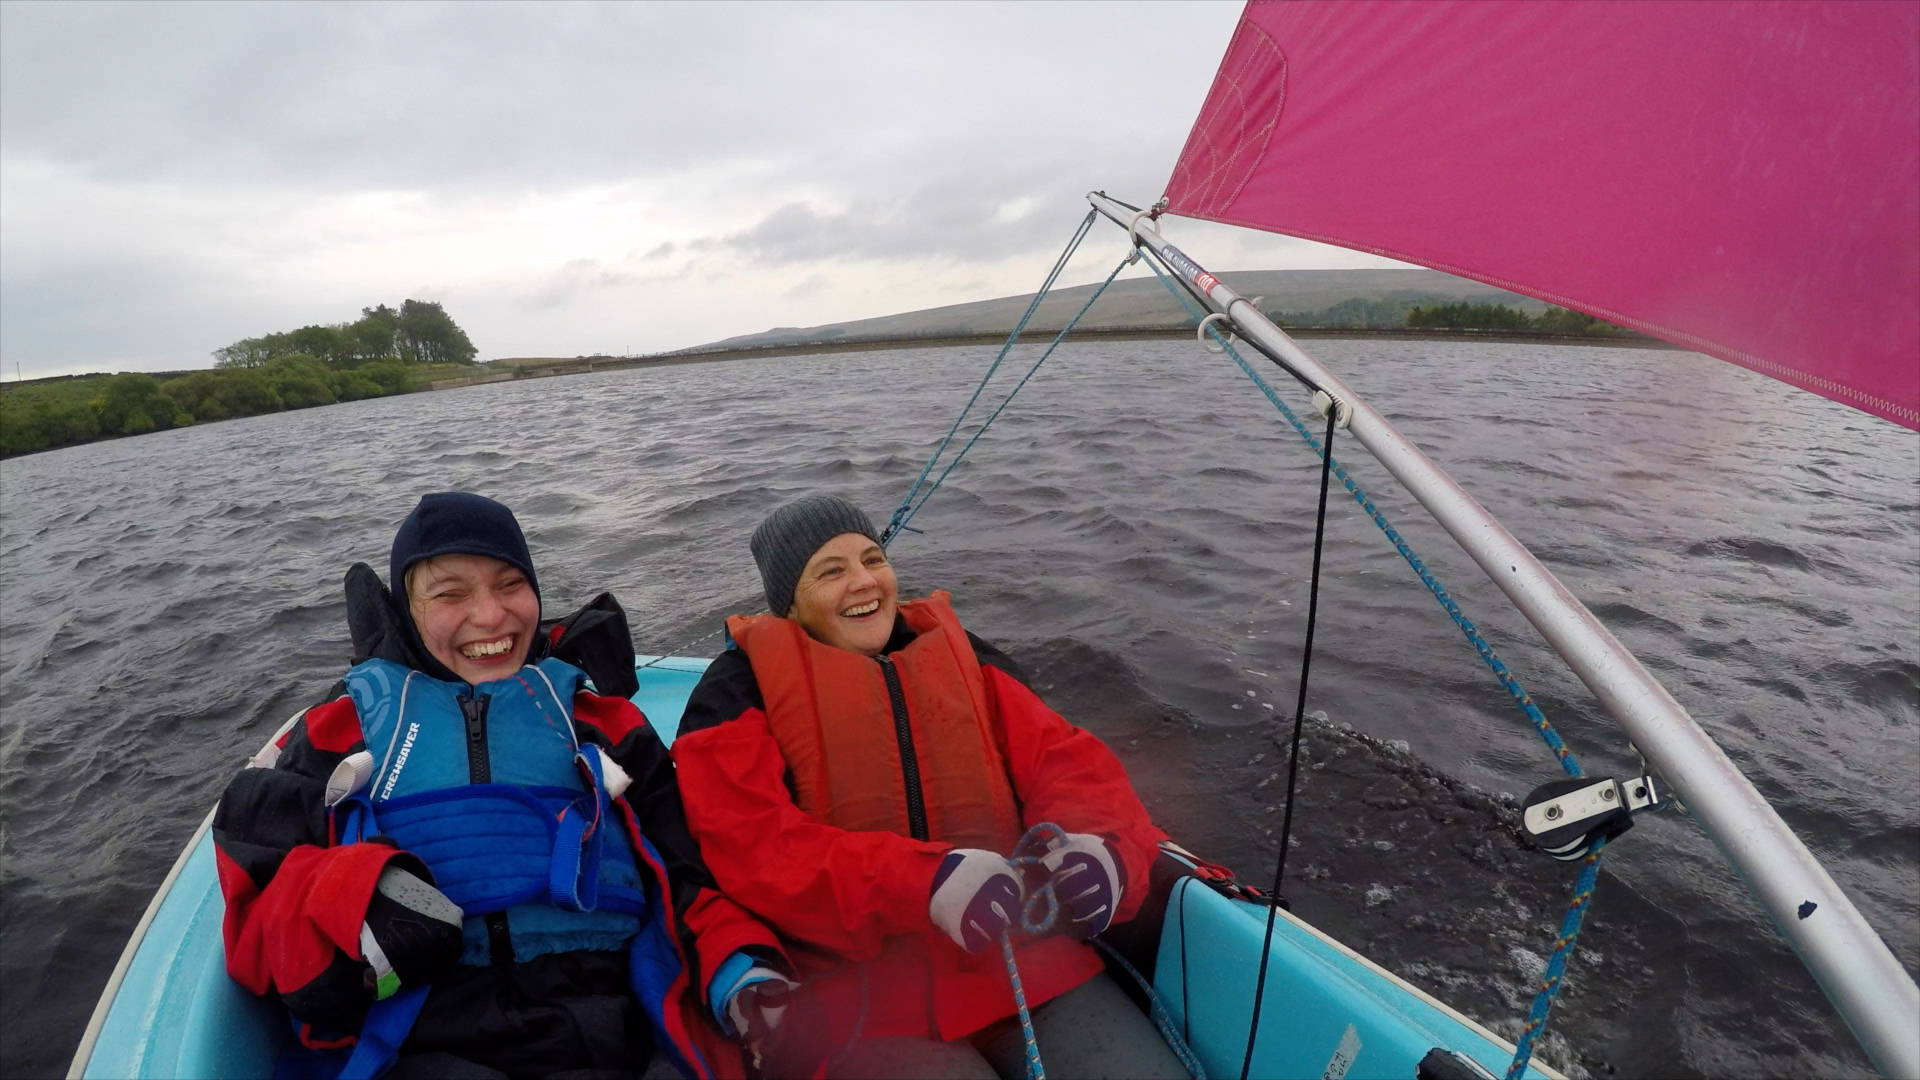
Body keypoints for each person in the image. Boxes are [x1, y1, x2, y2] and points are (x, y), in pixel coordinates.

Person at [214, 492, 791, 1080]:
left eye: (511, 584)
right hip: (416, 1037)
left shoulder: (602, 722)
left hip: (613, 1025)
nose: (491, 617)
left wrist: (739, 971)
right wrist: (355, 893)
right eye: (450, 593)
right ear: (406, 610)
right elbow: (257, 906)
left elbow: (686, 871)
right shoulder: (339, 731)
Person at [670, 494, 1188, 1079]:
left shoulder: (967, 657)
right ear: (791, 603)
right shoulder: (736, 693)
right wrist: (921, 882)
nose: (864, 582)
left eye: (873, 559)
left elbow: (1066, 762)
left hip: (1026, 962)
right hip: (862, 1002)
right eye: (831, 571)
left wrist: (1106, 849)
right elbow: (749, 843)